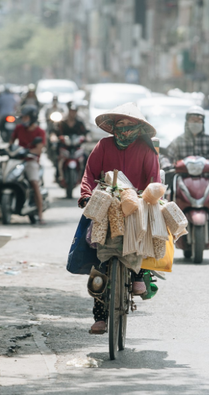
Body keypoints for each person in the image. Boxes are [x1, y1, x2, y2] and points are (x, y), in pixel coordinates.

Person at [79, 102, 160, 334]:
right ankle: (100, 317)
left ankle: (139, 274)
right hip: (106, 201)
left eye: (129, 125)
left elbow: (154, 180)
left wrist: (148, 198)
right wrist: (86, 196)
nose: (125, 129)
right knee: (100, 259)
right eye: (120, 124)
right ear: (113, 127)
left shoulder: (146, 150)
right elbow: (89, 174)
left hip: (136, 202)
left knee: (139, 238)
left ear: (137, 128)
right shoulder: (103, 146)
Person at [0, 105, 46, 224]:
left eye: (26, 118)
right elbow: (11, 142)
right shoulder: (19, 128)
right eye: (23, 117)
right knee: (1, 181)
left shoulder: (39, 132)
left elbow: (39, 149)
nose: (23, 120)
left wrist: (29, 151)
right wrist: (6, 149)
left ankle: (40, 214)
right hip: (16, 160)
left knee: (34, 183)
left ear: (32, 118)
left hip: (30, 161)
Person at [55, 102, 88, 182]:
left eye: (74, 111)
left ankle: (85, 177)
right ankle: (58, 176)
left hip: (76, 146)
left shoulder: (79, 123)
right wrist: (54, 137)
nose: (72, 113)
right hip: (64, 146)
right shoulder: (62, 122)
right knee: (57, 158)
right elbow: (55, 132)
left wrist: (87, 137)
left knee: (86, 157)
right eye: (71, 111)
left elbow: (86, 132)